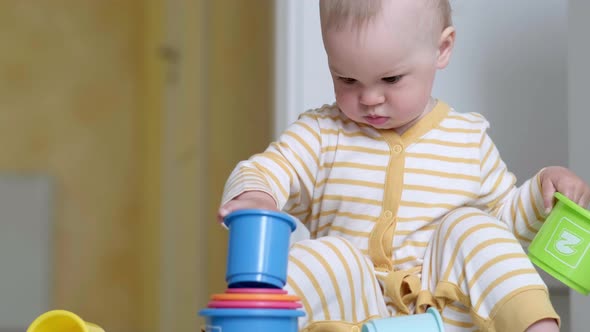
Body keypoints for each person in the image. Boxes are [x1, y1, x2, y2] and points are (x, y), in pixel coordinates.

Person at [218, 0, 590, 331]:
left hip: (448, 315)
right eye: (346, 79)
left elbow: (506, 224)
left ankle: (533, 326)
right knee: (325, 255)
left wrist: (544, 190)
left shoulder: (467, 139)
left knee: (472, 227)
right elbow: (266, 169)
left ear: (441, 49)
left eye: (391, 79)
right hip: (353, 316)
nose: (369, 98)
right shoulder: (320, 134)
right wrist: (256, 195)